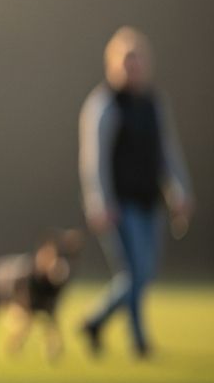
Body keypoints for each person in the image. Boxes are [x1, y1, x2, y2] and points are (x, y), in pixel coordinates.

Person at [78, 27, 192, 358]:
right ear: (112, 63)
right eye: (126, 60)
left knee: (142, 274)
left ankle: (96, 321)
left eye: (137, 59)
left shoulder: (155, 103)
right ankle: (138, 341)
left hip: (148, 200)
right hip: (118, 204)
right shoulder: (104, 104)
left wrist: (180, 192)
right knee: (136, 272)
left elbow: (167, 153)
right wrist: (99, 202)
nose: (133, 66)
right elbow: (93, 159)